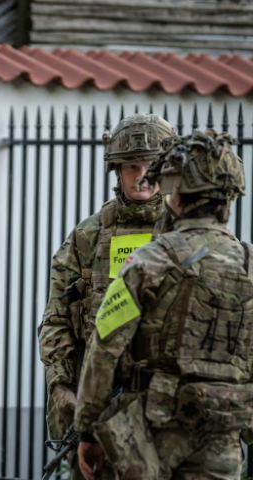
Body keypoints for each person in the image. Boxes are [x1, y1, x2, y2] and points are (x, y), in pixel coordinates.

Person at [75, 129, 249, 480]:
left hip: (153, 434)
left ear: (175, 196)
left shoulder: (145, 263)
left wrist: (87, 429)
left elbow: (104, 347)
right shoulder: (248, 262)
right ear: (228, 200)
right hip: (224, 432)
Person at [38, 113, 174, 478]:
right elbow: (55, 318)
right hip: (98, 410)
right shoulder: (89, 236)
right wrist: (62, 387)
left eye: (151, 165)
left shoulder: (185, 233)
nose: (141, 174)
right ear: (116, 169)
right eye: (131, 165)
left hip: (168, 414)